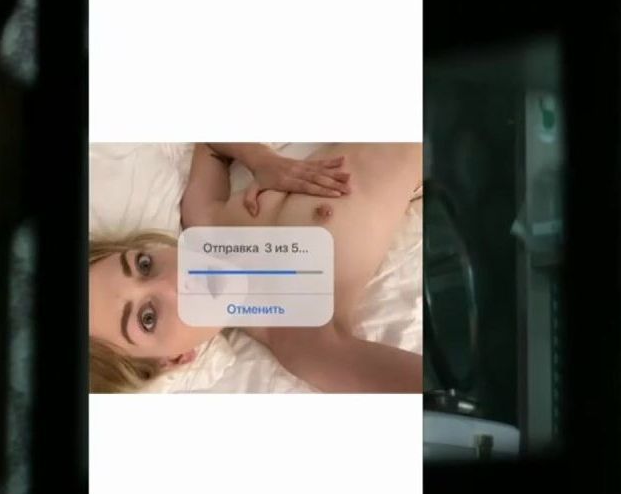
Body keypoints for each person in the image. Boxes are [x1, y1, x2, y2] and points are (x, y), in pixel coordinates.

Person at [89, 142, 422, 393]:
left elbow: (210, 145)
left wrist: (262, 161)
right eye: (148, 318)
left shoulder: (203, 223)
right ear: (175, 359)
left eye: (144, 265)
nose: (176, 280)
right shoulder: (298, 334)